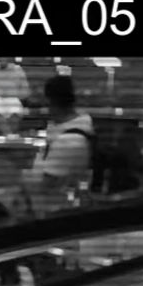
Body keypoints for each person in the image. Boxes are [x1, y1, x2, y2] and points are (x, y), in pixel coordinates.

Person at [20, 75, 94, 219]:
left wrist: (22, 176)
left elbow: (46, 185)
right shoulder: (66, 123)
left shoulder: (70, 141)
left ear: (49, 101)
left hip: (56, 214)